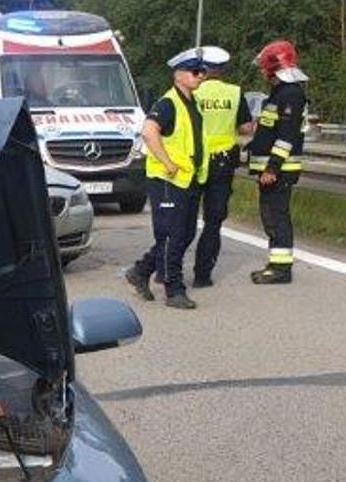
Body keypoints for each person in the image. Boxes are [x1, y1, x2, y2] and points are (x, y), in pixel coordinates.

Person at [126, 49, 211, 309]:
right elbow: (149, 132)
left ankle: (140, 271)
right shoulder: (167, 103)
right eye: (196, 72)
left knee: (184, 235)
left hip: (188, 180)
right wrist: (167, 162)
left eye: (203, 72)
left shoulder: (191, 103)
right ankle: (174, 289)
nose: (201, 76)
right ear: (179, 75)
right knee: (172, 236)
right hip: (168, 180)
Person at [188, 46, 253, 287]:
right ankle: (202, 276)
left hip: (194, 162)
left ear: (202, 69)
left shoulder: (192, 91)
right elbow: (246, 128)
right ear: (224, 69)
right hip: (223, 163)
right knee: (213, 222)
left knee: (184, 219)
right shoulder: (234, 93)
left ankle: (165, 270)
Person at [248, 39, 309, 285]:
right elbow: (273, 130)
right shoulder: (282, 93)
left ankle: (281, 269)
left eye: (264, 67)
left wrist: (272, 167)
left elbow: (287, 136)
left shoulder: (291, 94)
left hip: (280, 170)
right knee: (271, 215)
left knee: (277, 216)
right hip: (274, 168)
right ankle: (276, 264)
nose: (262, 71)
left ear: (274, 67)